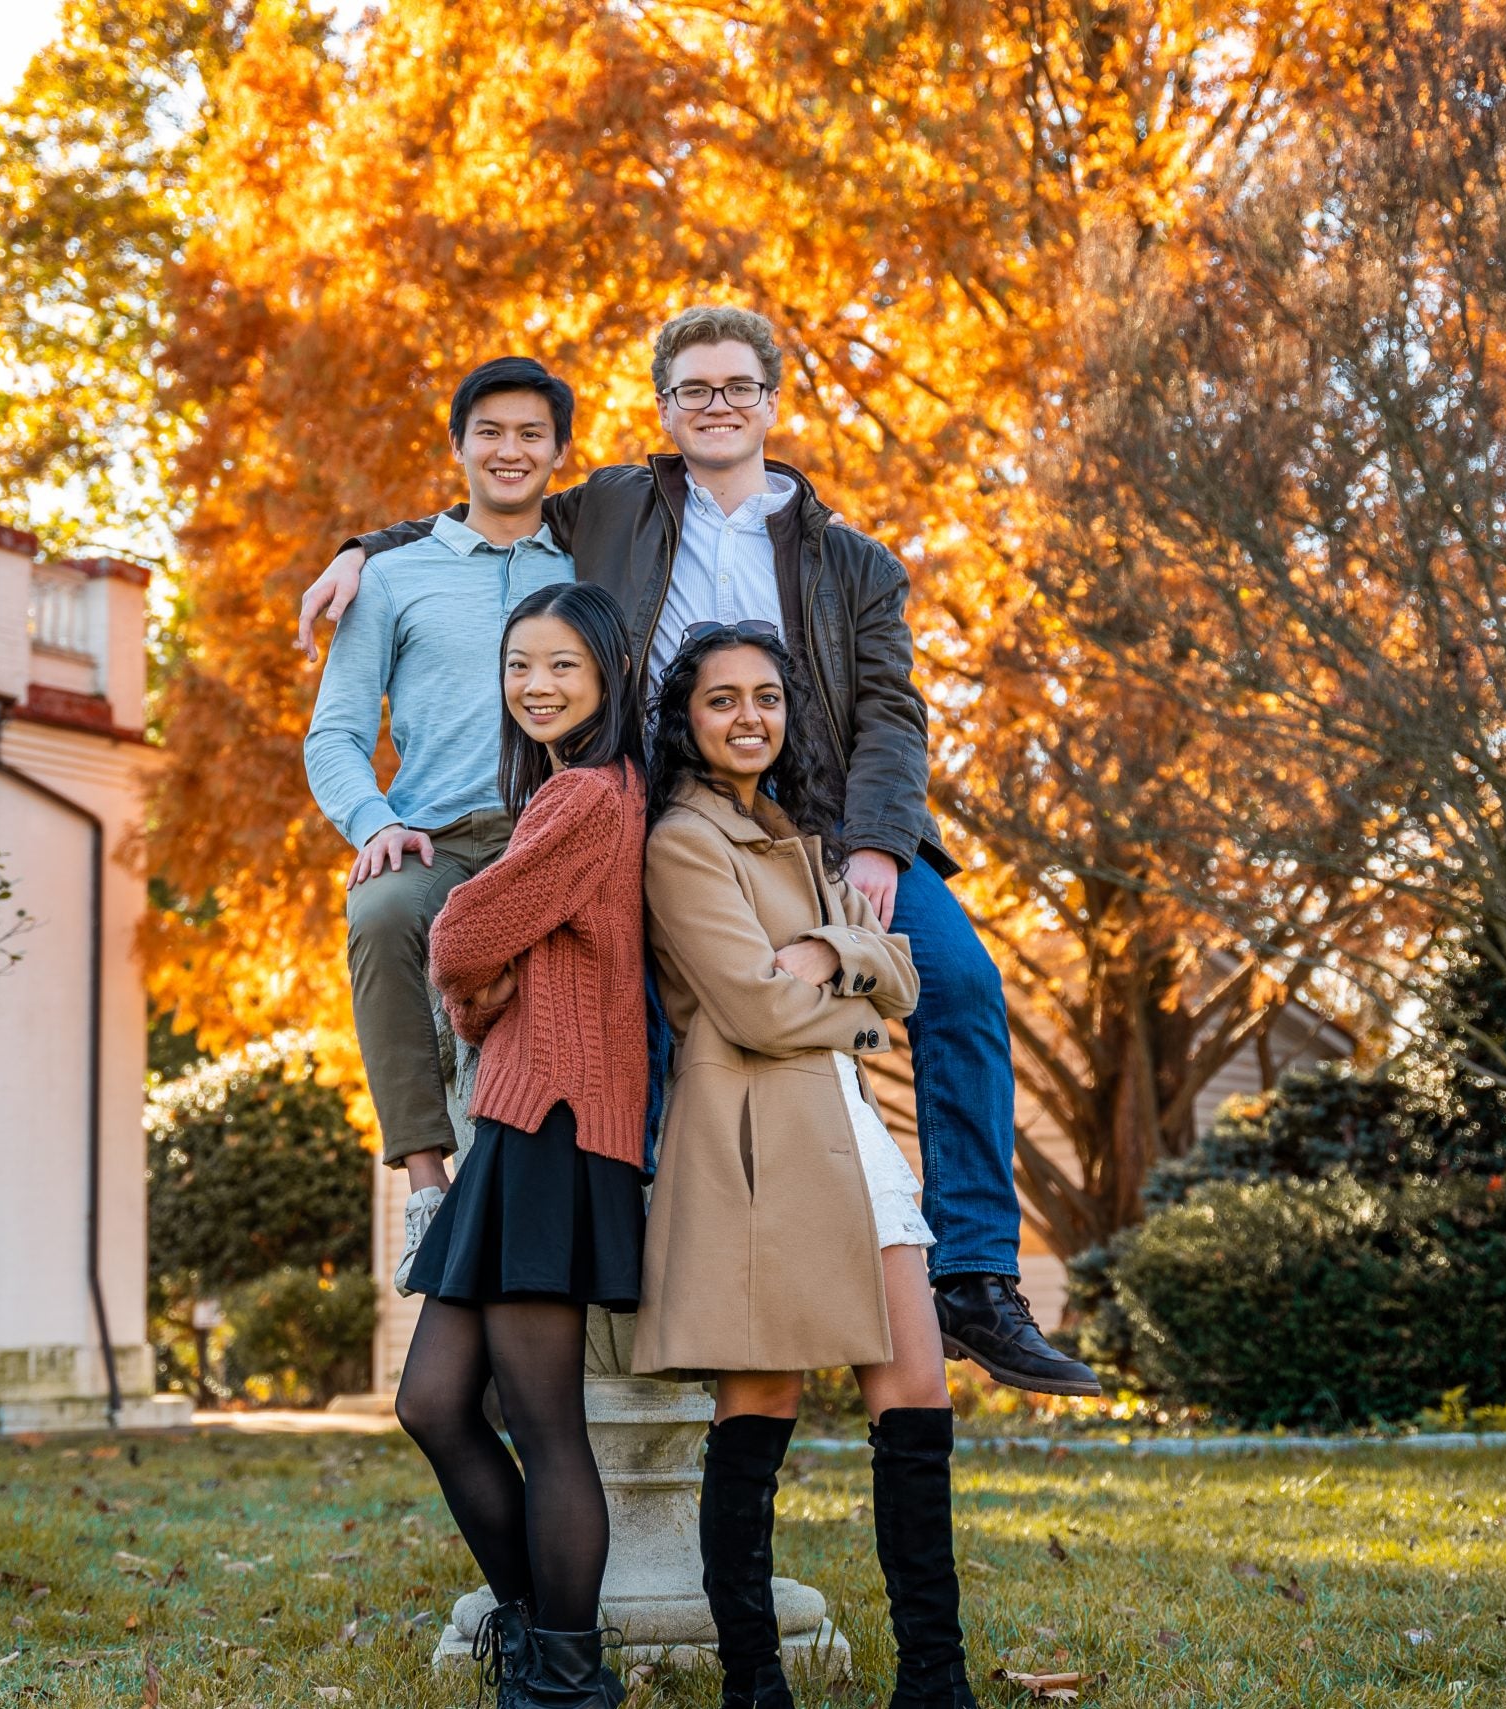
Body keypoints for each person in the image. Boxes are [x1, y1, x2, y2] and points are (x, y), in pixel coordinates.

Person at [297, 306, 1100, 1397]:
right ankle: (667, 1266)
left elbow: (891, 712)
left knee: (958, 983)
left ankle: (973, 1275)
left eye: (737, 387)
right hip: (665, 817)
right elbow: (493, 503)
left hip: (820, 824)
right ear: (664, 410)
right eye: (693, 390)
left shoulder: (851, 559)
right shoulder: (621, 504)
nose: (716, 405)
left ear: (772, 401)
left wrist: (873, 844)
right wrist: (364, 547)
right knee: (654, 1028)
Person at [636, 622, 975, 1709]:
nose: (749, 717)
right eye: (723, 699)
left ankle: (935, 1676)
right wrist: (856, 984)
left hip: (848, 1127)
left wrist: (831, 951)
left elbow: (906, 976)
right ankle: (752, 1679)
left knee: (916, 1391)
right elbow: (749, 1005)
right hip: (755, 1144)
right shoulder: (682, 842)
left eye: (767, 697)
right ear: (686, 719)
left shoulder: (803, 834)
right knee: (762, 1398)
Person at [397, 581, 651, 1709]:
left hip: (551, 1125)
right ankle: (538, 1634)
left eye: (561, 666)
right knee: (435, 1402)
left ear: (604, 679)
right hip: (520, 1116)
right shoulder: (561, 798)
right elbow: (488, 963)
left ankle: (567, 1675)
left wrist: (472, 986)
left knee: (543, 1421)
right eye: (519, 666)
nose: (536, 684)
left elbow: (459, 929)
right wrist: (479, 990)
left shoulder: (586, 798)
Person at [301, 357, 576, 1289]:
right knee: (380, 911)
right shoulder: (391, 577)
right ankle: (427, 1182)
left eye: (531, 434)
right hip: (436, 836)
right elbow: (334, 732)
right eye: (489, 432)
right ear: (458, 445)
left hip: (559, 833)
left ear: (559, 451)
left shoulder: (589, 567)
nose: (510, 450)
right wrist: (373, 819)